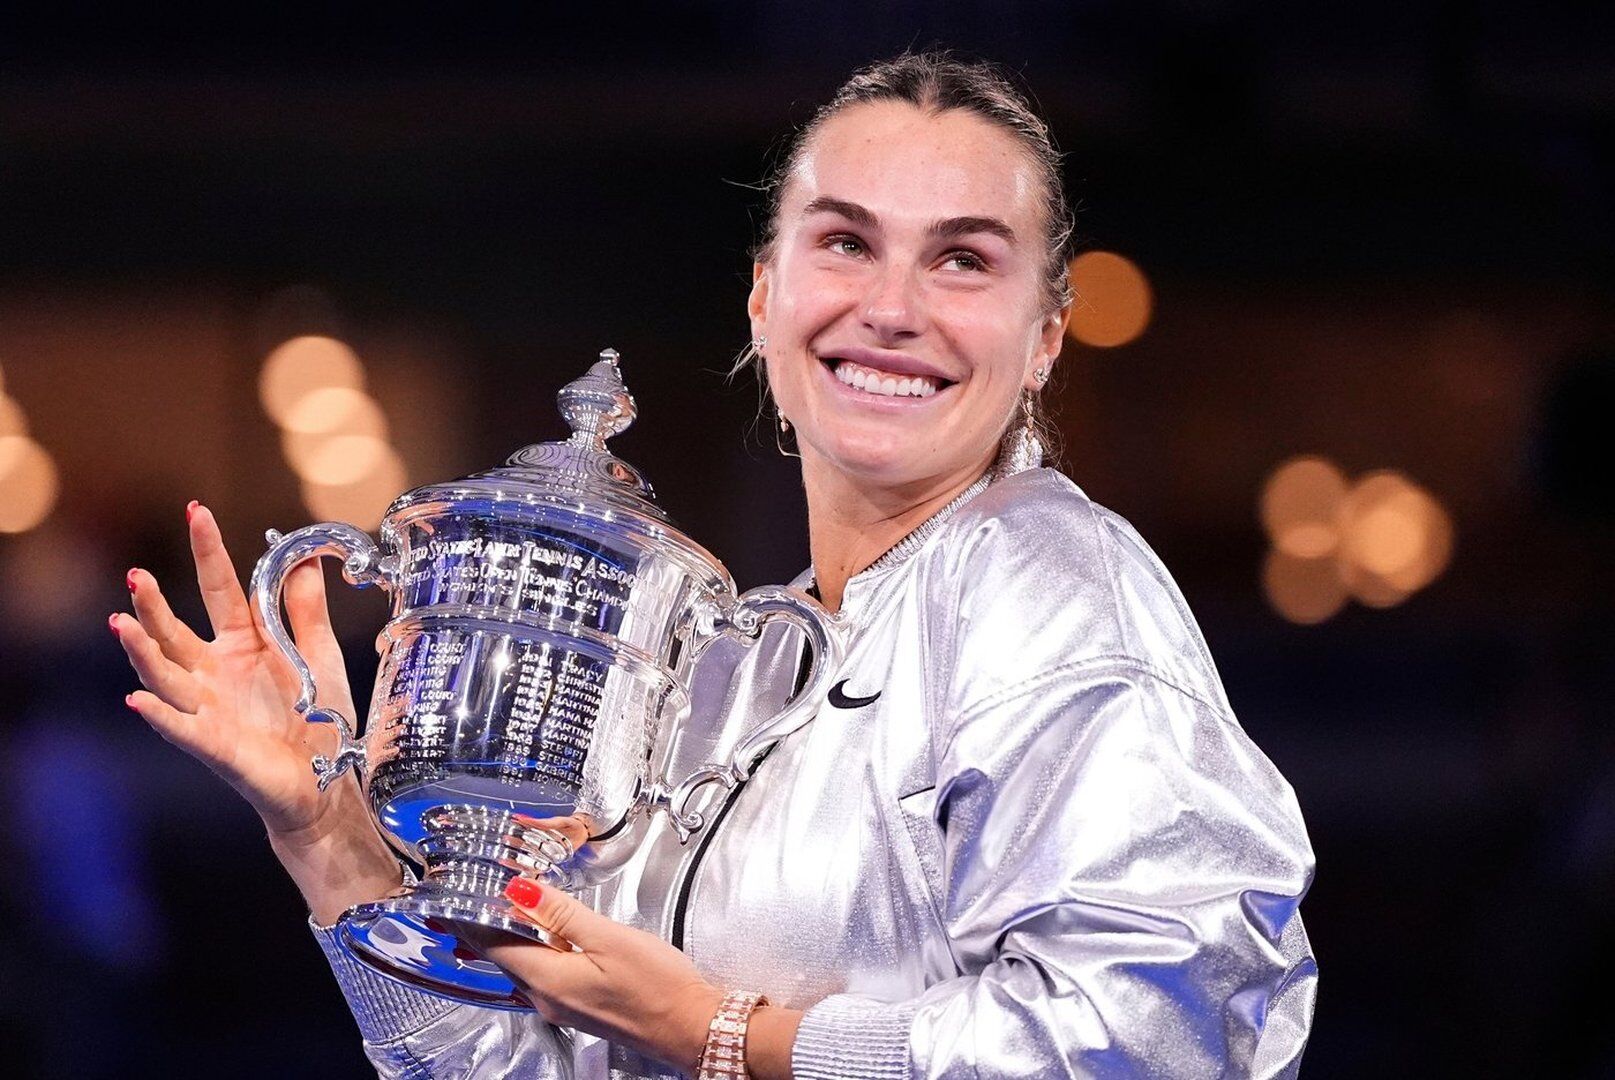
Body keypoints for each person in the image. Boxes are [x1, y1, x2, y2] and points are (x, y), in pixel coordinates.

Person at [113, 52, 1317, 1079]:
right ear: (762, 297)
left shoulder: (1051, 582)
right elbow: (534, 1065)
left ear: (1044, 336)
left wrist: (724, 1035)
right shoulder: (728, 665)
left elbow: (1162, 1034)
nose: (891, 307)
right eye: (844, 241)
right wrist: (328, 838)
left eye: (962, 260)